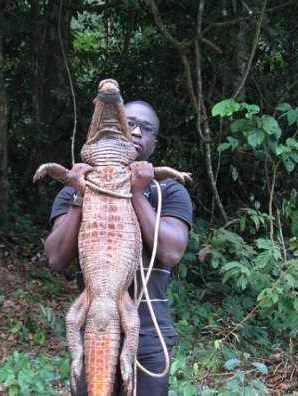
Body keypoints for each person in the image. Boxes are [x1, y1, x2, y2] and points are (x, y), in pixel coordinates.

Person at [45, 100, 193, 396]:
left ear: (154, 141)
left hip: (149, 335)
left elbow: (171, 252)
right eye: (130, 124)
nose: (136, 132)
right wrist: (79, 194)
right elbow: (56, 258)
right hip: (95, 325)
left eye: (146, 128)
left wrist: (137, 191)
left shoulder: (168, 191)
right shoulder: (75, 186)